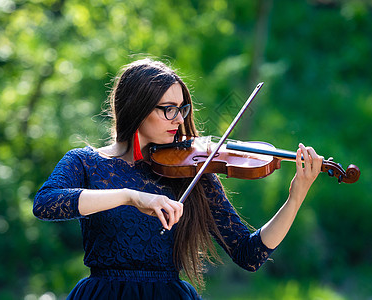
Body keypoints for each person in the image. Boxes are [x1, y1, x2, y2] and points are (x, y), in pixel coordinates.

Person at [33, 58, 323, 299]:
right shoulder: (85, 162)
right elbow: (46, 204)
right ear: (136, 108)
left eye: (182, 108)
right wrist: (130, 196)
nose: (179, 119)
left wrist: (295, 197)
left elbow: (249, 254)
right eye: (168, 109)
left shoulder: (192, 171)